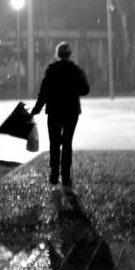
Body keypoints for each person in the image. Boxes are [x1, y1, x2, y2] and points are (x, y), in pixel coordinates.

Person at [30, 42, 90, 187]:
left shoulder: (51, 70)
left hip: (54, 110)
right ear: (70, 54)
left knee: (54, 142)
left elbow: (43, 92)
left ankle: (54, 173)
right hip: (71, 111)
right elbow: (85, 89)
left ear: (57, 54)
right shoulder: (76, 70)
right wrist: (74, 90)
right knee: (67, 142)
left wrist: (37, 109)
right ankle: (66, 175)